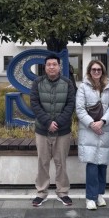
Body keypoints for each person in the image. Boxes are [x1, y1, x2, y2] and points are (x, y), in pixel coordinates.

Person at [30, 54, 76, 207]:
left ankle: (62, 192)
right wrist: (48, 122)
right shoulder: (37, 83)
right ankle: (41, 193)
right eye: (48, 64)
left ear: (59, 67)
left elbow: (70, 104)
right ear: (45, 67)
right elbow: (34, 104)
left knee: (61, 163)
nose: (51, 67)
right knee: (42, 162)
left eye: (54, 64)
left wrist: (58, 122)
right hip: (42, 130)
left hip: (62, 131)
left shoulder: (67, 83)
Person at [75, 60, 109, 211]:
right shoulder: (83, 87)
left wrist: (103, 121)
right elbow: (79, 109)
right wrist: (92, 124)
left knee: (102, 165)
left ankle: (99, 194)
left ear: (103, 71)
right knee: (92, 165)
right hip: (89, 131)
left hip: (105, 129)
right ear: (89, 71)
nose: (97, 72)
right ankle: (90, 197)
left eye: (99, 69)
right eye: (94, 69)